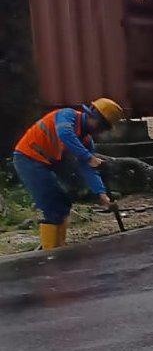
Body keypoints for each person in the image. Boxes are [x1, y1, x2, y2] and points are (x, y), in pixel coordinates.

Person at [11, 98, 126, 249]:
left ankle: (59, 248)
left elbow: (89, 168)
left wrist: (101, 194)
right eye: (102, 127)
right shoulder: (67, 115)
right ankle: (50, 253)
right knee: (52, 205)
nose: (100, 131)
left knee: (63, 204)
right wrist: (88, 157)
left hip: (45, 163)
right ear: (93, 116)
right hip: (27, 158)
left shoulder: (86, 140)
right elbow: (65, 134)